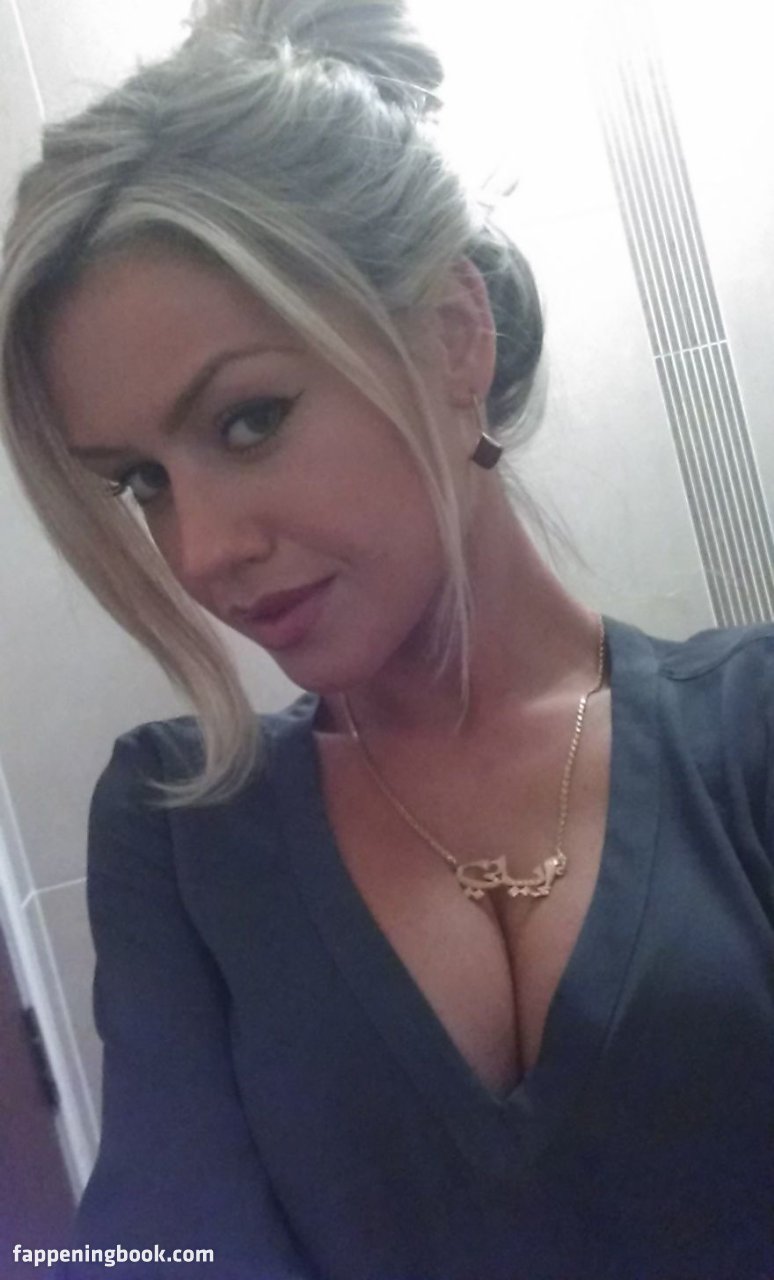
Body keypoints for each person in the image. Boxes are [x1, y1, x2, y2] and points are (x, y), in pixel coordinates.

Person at [0, 2, 772, 1277]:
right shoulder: (182, 829)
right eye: (142, 480)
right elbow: (161, 1242)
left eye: (249, 419)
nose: (201, 550)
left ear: (453, 337)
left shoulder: (746, 736)